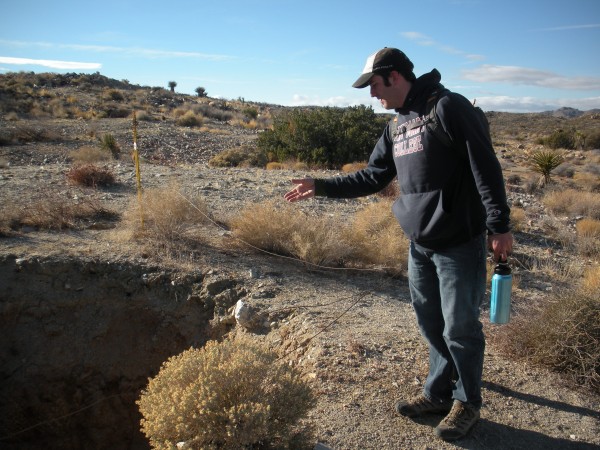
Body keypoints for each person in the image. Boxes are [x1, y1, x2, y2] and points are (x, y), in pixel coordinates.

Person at [284, 47, 513, 441]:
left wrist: (499, 225)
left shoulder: (448, 108)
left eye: (373, 85)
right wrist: (320, 186)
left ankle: (467, 402)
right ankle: (438, 394)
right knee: (431, 323)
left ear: (393, 76)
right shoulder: (396, 127)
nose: (372, 95)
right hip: (419, 244)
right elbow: (372, 177)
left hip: (459, 243)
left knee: (460, 327)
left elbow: (484, 166)